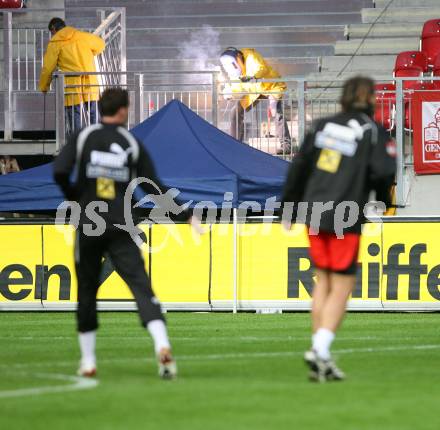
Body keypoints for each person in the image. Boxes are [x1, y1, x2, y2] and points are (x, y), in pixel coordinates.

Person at [53, 88, 201, 379]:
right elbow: (153, 186)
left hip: (90, 224)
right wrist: (184, 214)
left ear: (100, 108)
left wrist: (75, 197)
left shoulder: (84, 137)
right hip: (122, 223)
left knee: (86, 291)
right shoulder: (131, 143)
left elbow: (59, 170)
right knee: (140, 287)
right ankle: (162, 344)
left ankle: (88, 361)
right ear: (123, 111)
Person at [281, 76, 396, 382]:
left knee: (324, 281)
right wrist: (382, 200)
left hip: (313, 211)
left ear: (342, 99)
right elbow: (384, 171)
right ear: (371, 99)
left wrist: (288, 205)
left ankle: (322, 354)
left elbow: (299, 166)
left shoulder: (321, 126)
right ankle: (319, 349)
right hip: (346, 213)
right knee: (343, 285)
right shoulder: (372, 131)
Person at [39, 18, 105, 135]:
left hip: (72, 86)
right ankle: (98, 141)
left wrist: (44, 86)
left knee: (75, 117)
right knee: (94, 114)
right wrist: (91, 53)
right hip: (90, 82)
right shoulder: (82, 36)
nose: (52, 35)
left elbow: (48, 68)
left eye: (51, 32)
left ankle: (77, 144)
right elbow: (100, 45)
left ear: (53, 29)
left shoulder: (55, 43)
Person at [220, 47, 291, 154]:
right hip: (255, 91)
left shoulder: (250, 56)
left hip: (272, 86)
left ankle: (286, 146)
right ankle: (235, 145)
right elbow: (236, 86)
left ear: (238, 57)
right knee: (236, 111)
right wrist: (230, 94)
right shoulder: (235, 72)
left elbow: (262, 69)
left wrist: (252, 76)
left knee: (275, 111)